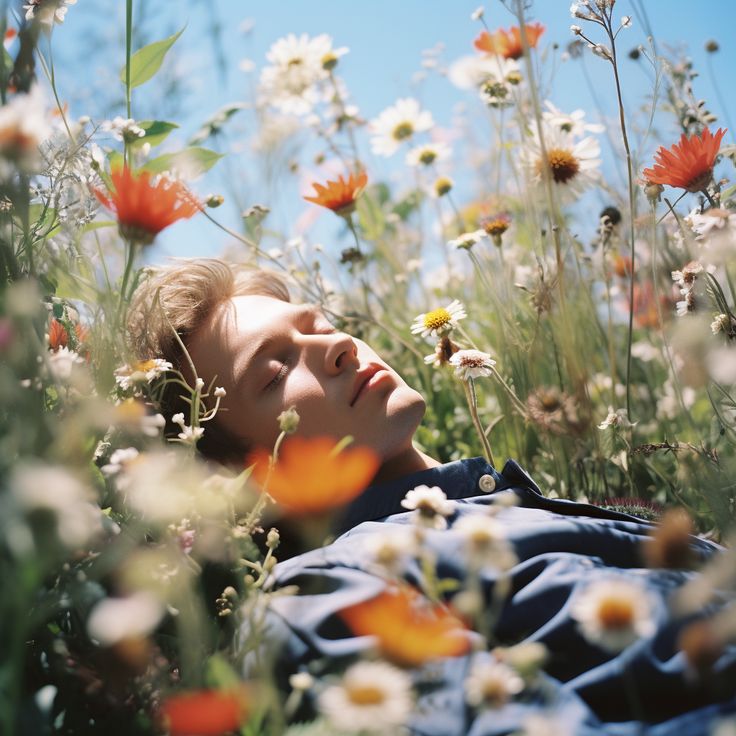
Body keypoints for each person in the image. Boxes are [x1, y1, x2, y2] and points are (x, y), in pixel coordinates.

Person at [128, 258, 736, 735]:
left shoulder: (499, 508)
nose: (337, 347)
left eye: (318, 326)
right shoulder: (323, 593)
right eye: (274, 370)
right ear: (239, 476)